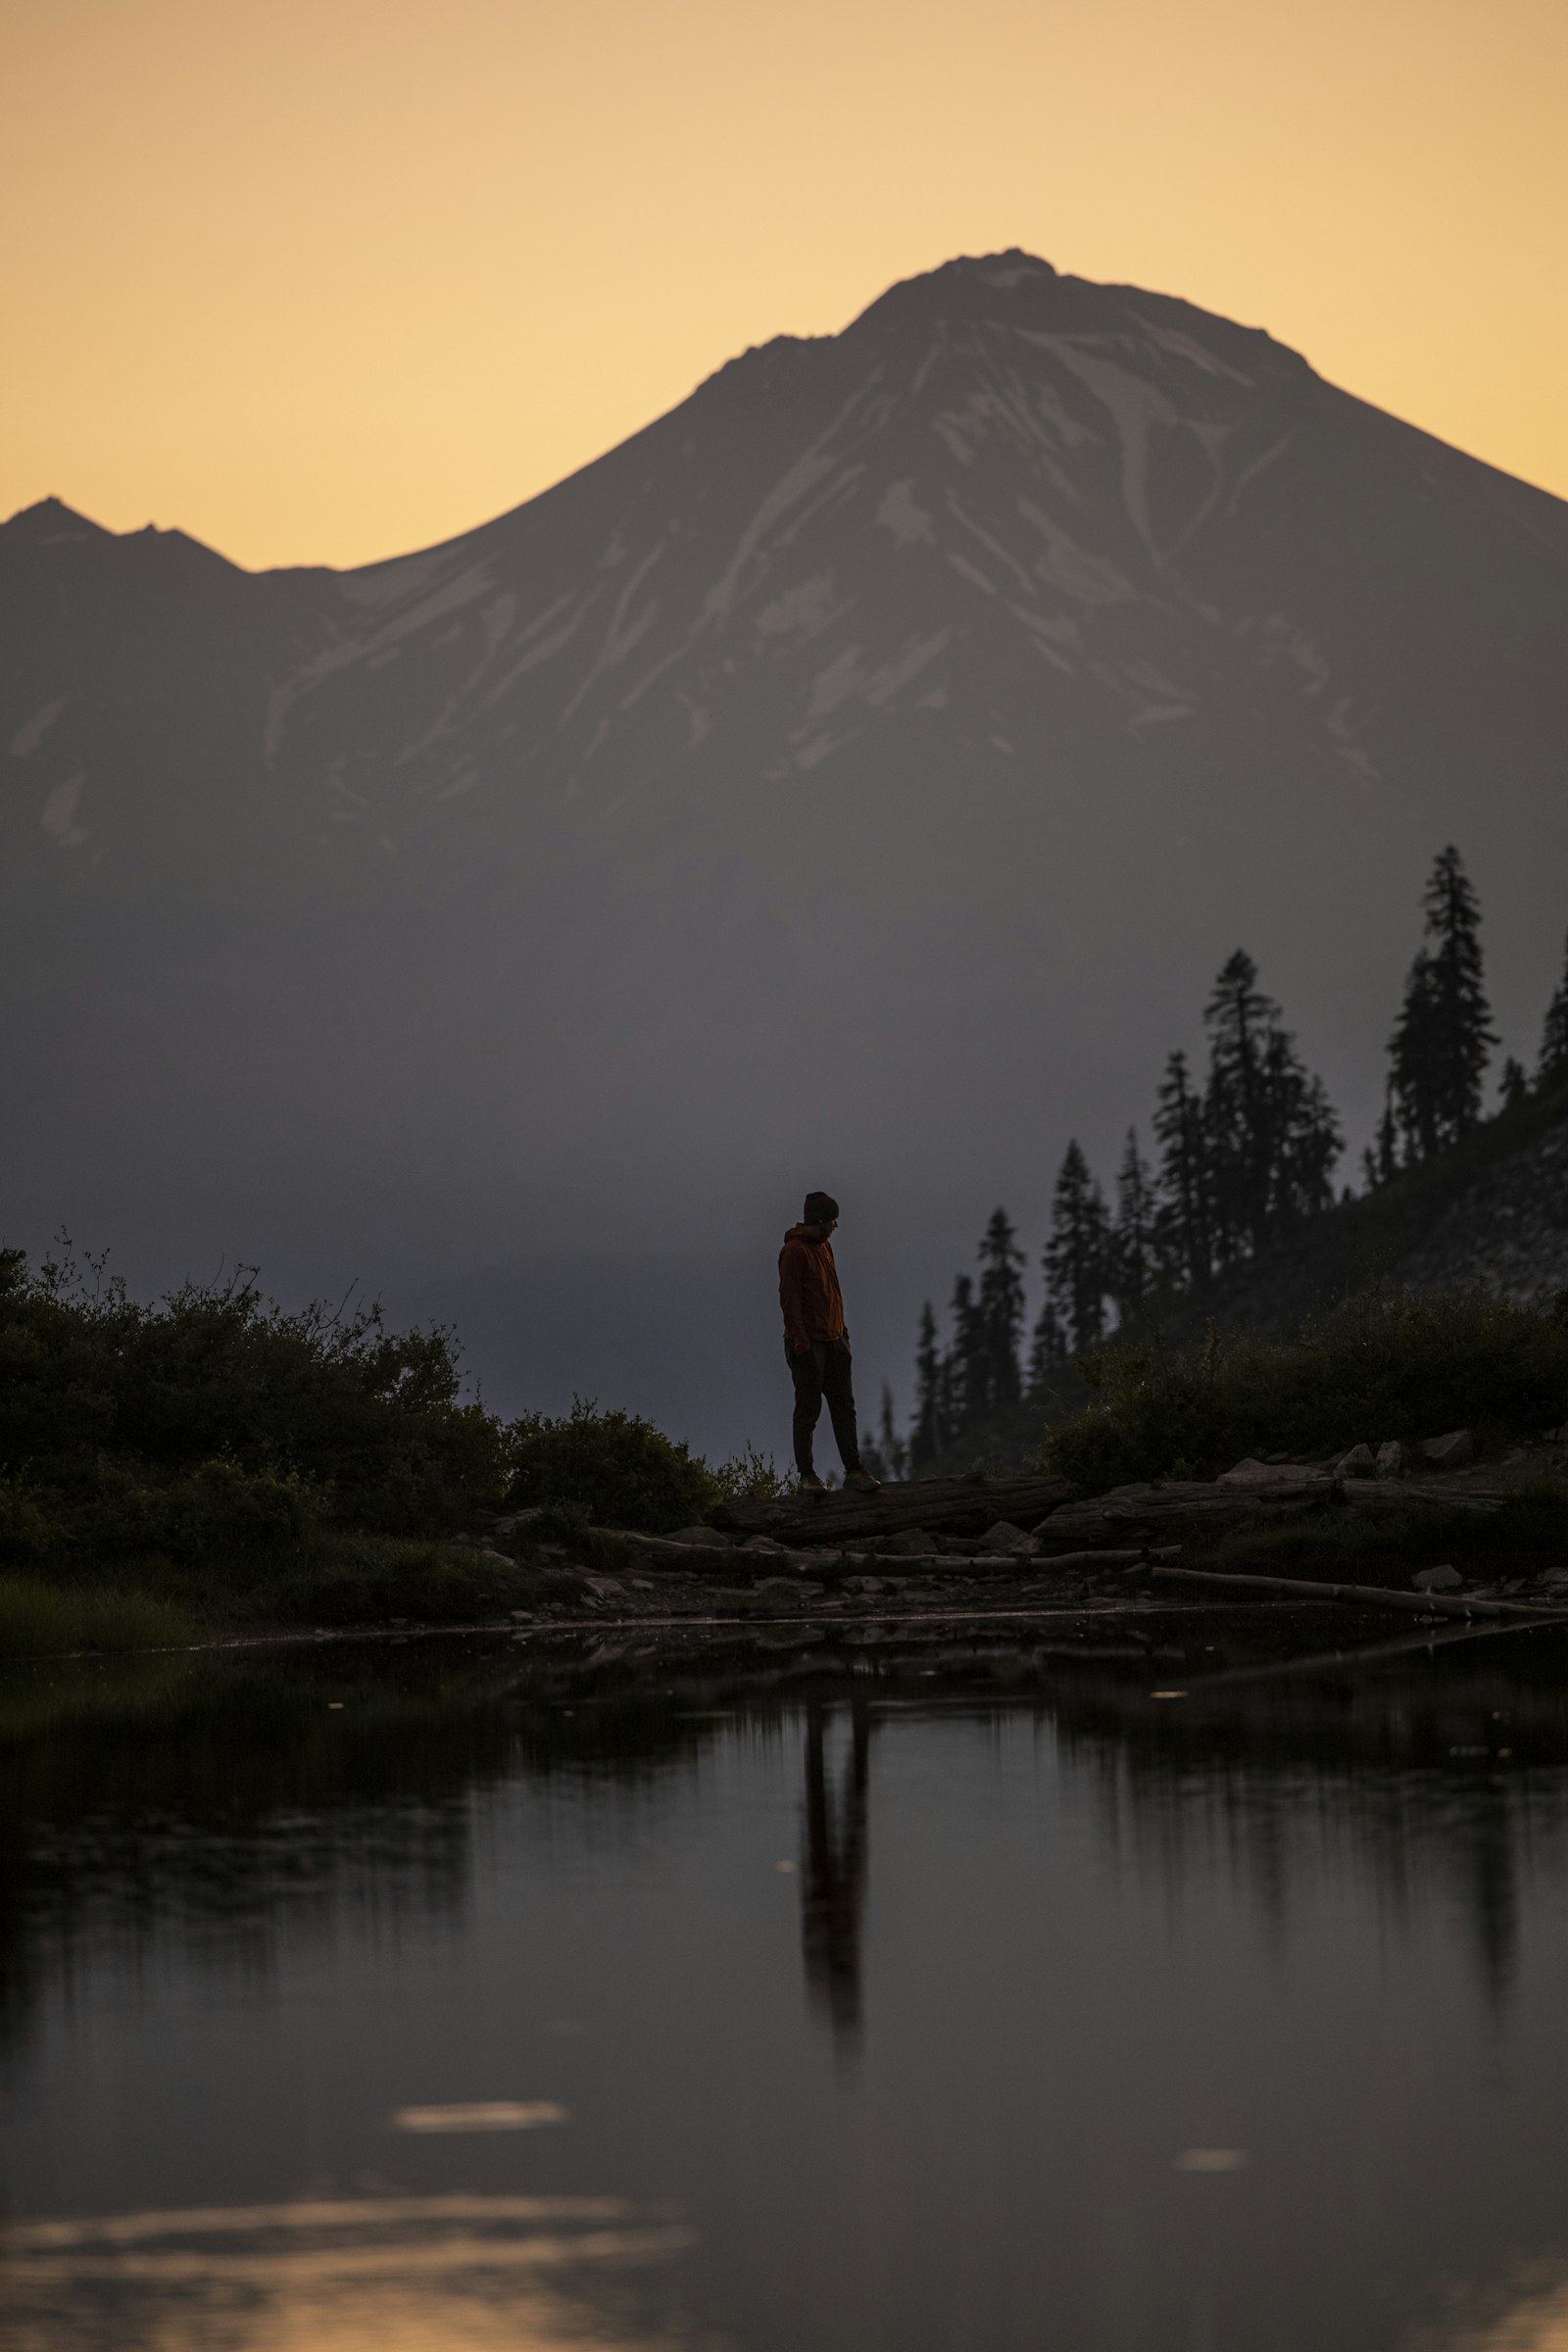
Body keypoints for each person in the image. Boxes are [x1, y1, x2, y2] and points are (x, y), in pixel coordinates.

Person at [778, 1192, 881, 1494]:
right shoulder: (794, 1252)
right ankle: (807, 1477)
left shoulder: (826, 1249)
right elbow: (790, 1301)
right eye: (833, 1221)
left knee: (844, 1408)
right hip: (809, 1345)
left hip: (835, 1341)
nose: (835, 1226)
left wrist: (843, 1333)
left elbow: (833, 1294)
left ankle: (854, 1471)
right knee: (808, 1411)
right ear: (821, 1222)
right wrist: (801, 1344)